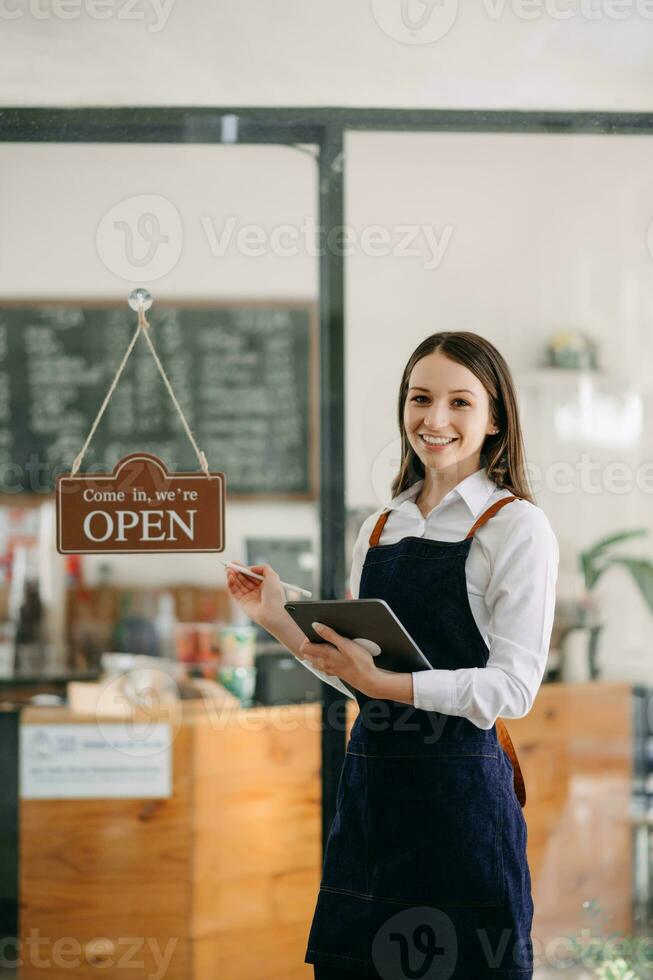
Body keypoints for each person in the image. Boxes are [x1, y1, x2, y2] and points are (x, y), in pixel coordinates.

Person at [226, 331, 559, 979]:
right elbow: (358, 677)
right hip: (376, 803)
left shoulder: (515, 526)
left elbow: (511, 689)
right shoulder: (380, 526)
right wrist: (274, 619)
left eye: (460, 403)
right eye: (419, 398)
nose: (434, 420)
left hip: (461, 805)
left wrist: (383, 684)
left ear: (495, 420)